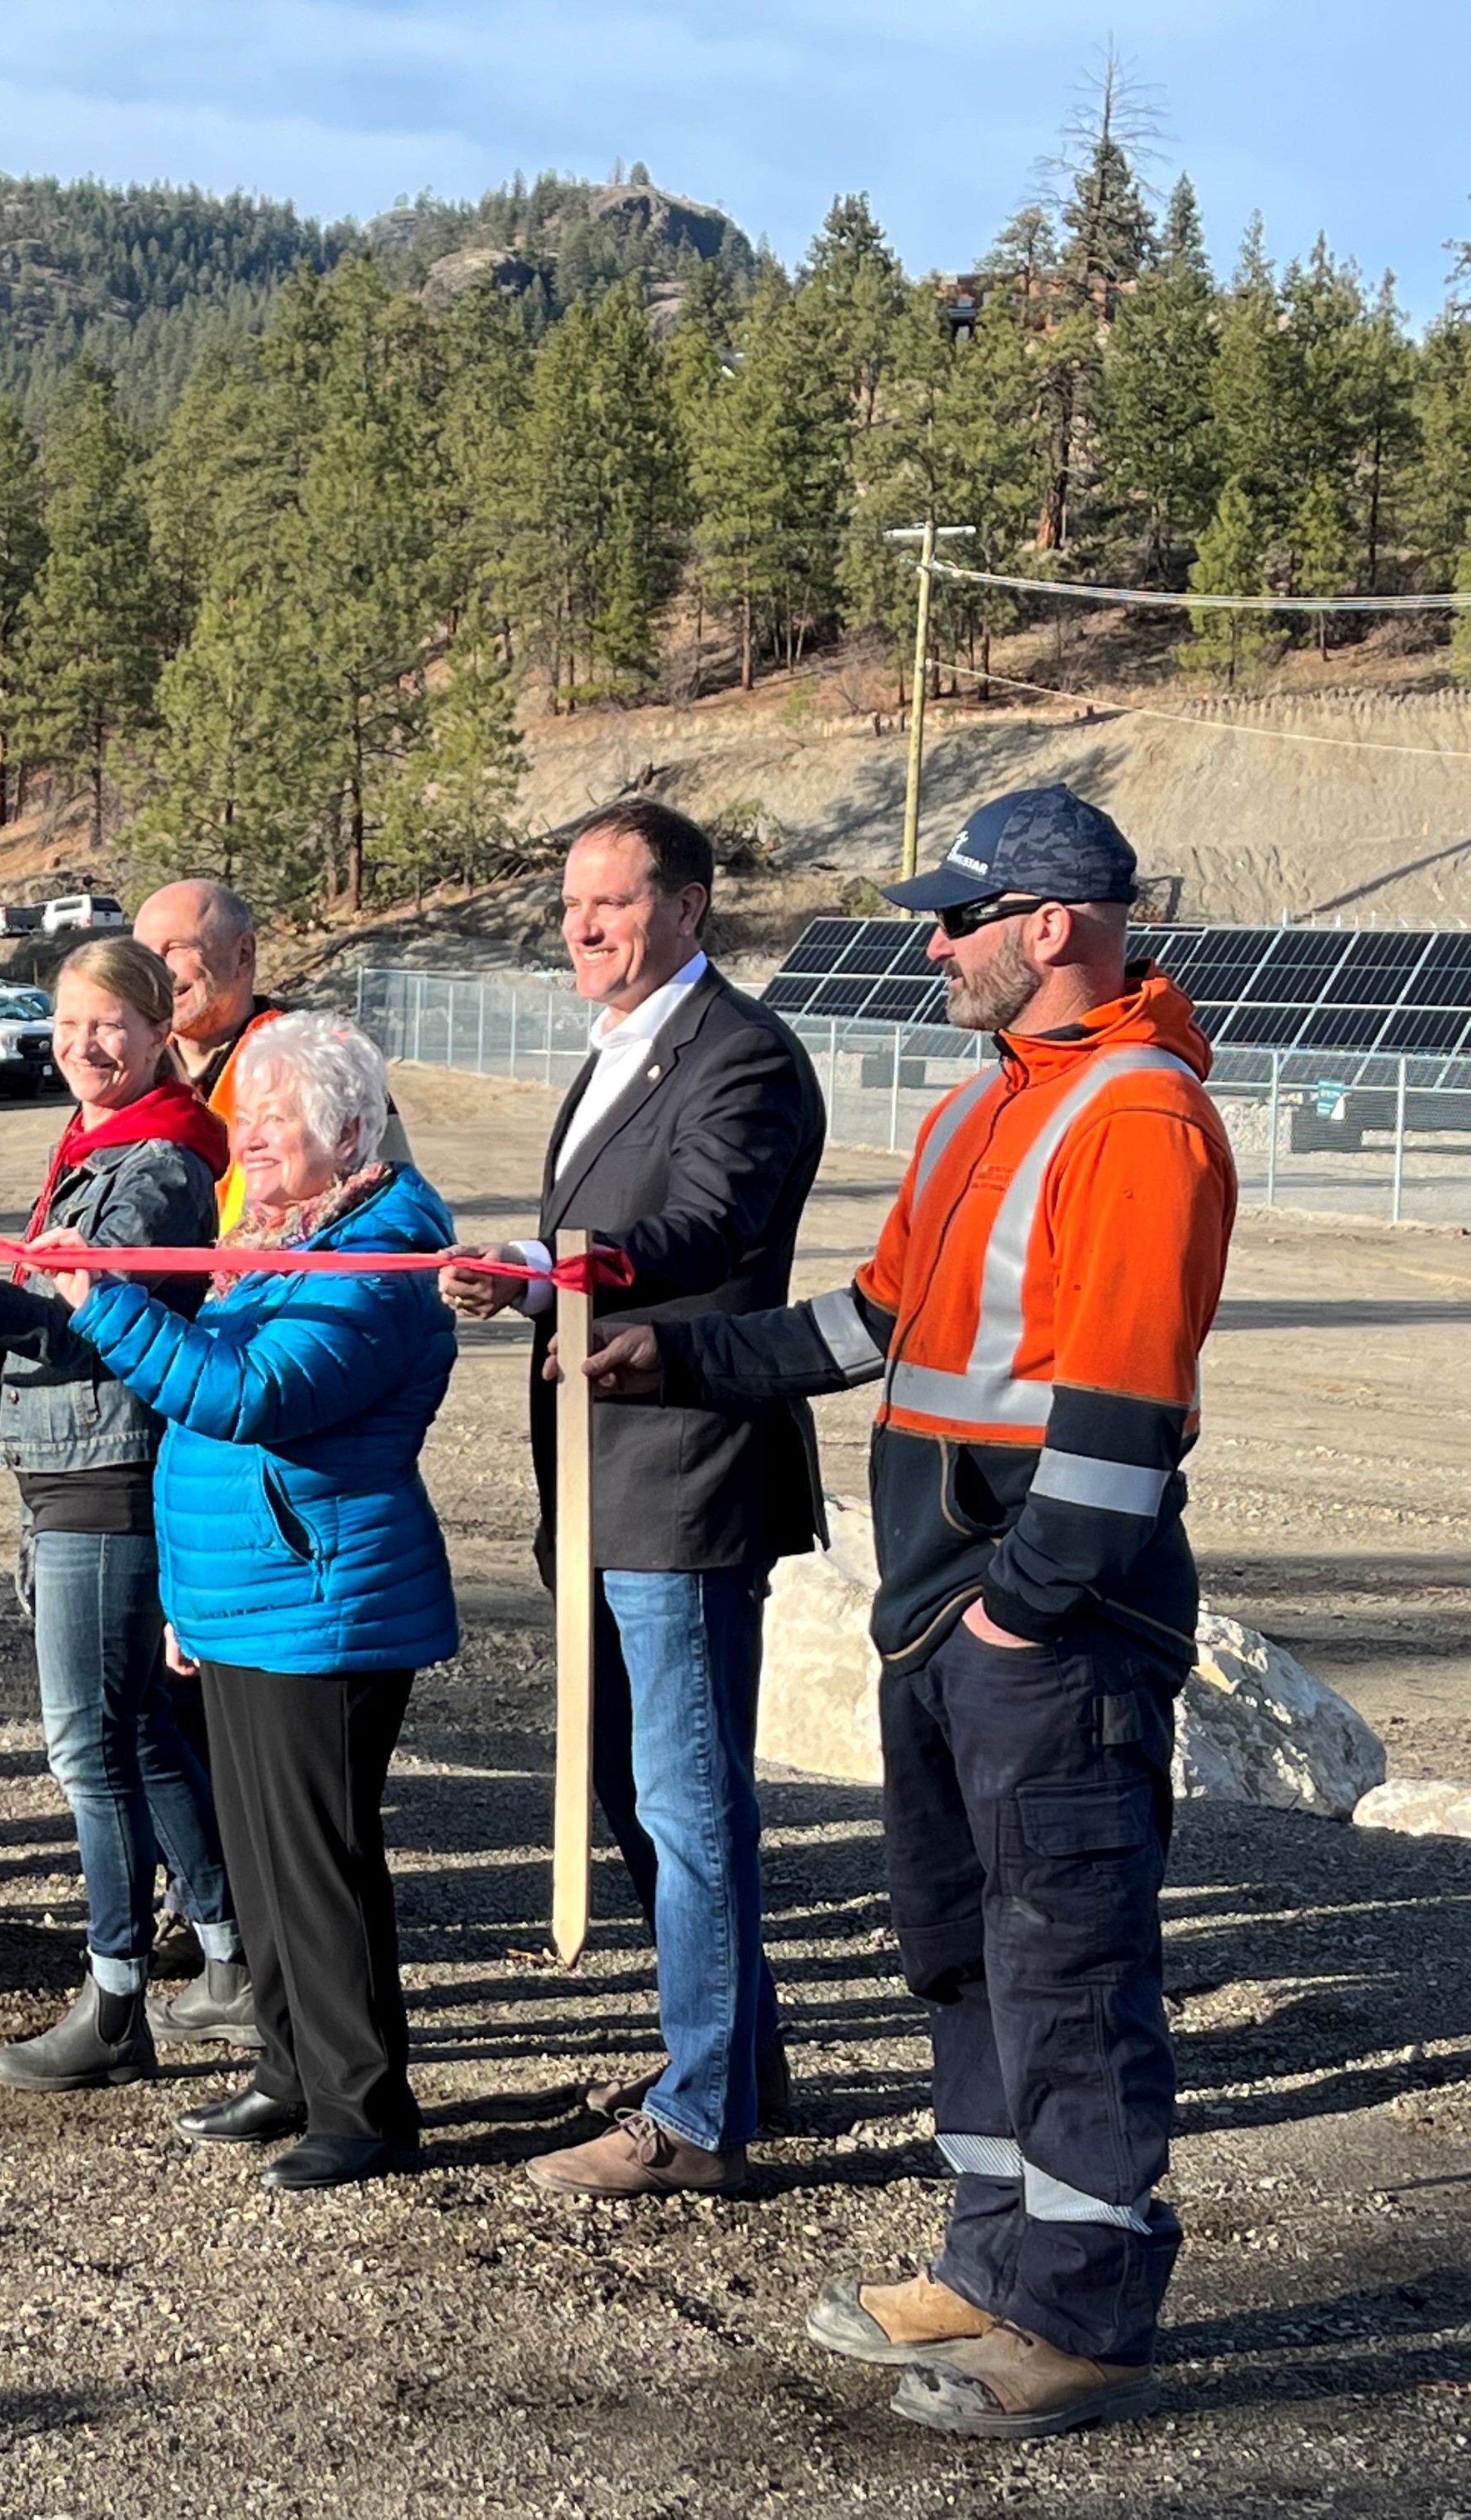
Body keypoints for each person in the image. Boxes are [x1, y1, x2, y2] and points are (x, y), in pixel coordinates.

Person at [581, 785, 1233, 2439]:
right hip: (945, 1625)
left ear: (1052, 927)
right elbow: (873, 1322)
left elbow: (1123, 1416)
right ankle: (991, 2260)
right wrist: (685, 1356)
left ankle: (1078, 2322)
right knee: (962, 1952)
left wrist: (1022, 1612)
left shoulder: (1140, 1121)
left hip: (1046, 1639)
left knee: (1066, 1962)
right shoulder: (983, 1111)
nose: (931, 944)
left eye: (958, 918)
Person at [437, 800, 826, 2199]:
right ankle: (734, 2058)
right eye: (568, 906)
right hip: (598, 1483)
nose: (580, 928)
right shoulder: (611, 1053)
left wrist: (547, 1269)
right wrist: (527, 1276)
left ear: (684, 904)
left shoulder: (744, 1056)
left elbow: (706, 1226)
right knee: (630, 1788)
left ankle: (703, 2115)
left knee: (687, 1800)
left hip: (684, 1479)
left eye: (606, 902)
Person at [47, 1013, 459, 2192]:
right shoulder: (279, 1238)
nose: (252, 1136)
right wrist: (192, 1600)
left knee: (318, 1866)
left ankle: (365, 2106)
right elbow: (206, 1430)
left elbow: (252, 1397)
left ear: (348, 1130)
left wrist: (104, 1305)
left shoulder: (379, 1254)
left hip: (326, 1602)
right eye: (247, 1114)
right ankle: (291, 2069)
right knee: (266, 1863)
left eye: (278, 1116)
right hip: (249, 1596)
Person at [0, 937, 249, 2090]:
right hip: (72, 1471)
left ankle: (115, 1996)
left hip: (106, 1480)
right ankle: (227, 1962)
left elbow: (82, 1323)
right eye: (69, 1025)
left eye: (110, 1025)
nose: (85, 1046)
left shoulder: (162, 1162)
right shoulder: (104, 1146)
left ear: (161, 1030)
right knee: (140, 1736)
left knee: (90, 1748)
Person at [134, 878, 409, 1228]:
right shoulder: (132, 1068)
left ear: (243, 955)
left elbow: (391, 1206)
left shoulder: (324, 1059)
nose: (157, 969)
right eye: (144, 955)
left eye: (177, 948)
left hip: (288, 1277)